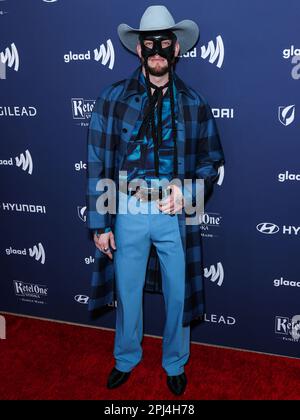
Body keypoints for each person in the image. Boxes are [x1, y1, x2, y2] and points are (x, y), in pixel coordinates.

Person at [86, 5, 225, 396]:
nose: (157, 51)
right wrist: (100, 223)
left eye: (164, 43)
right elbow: (97, 162)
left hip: (175, 213)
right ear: (139, 50)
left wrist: (187, 193)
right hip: (126, 206)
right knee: (126, 292)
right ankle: (126, 357)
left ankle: (175, 361)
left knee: (179, 293)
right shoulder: (113, 99)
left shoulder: (194, 103)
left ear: (176, 49)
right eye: (150, 44)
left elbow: (212, 162)